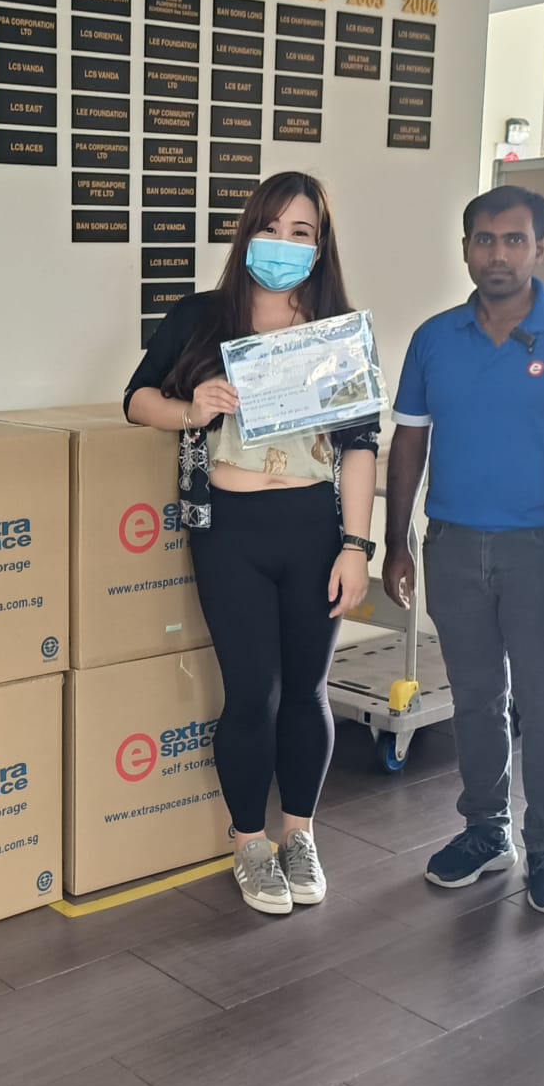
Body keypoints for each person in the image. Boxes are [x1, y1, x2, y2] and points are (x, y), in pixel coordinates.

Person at [124, 171, 380, 916]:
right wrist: (190, 408)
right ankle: (249, 843)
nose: (283, 244)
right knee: (252, 692)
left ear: (320, 246)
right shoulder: (203, 317)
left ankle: (299, 834)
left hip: (315, 530)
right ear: (247, 233)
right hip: (230, 530)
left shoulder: (336, 332)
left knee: (306, 690)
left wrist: (356, 546)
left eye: (301, 232)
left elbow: (361, 445)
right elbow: (137, 399)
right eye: (271, 228)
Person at [382, 186, 544, 915]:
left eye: (514, 240)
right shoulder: (435, 338)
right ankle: (486, 830)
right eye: (484, 240)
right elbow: (410, 440)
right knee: (474, 697)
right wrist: (397, 541)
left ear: (540, 248)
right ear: (465, 248)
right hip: (455, 544)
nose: (498, 254)